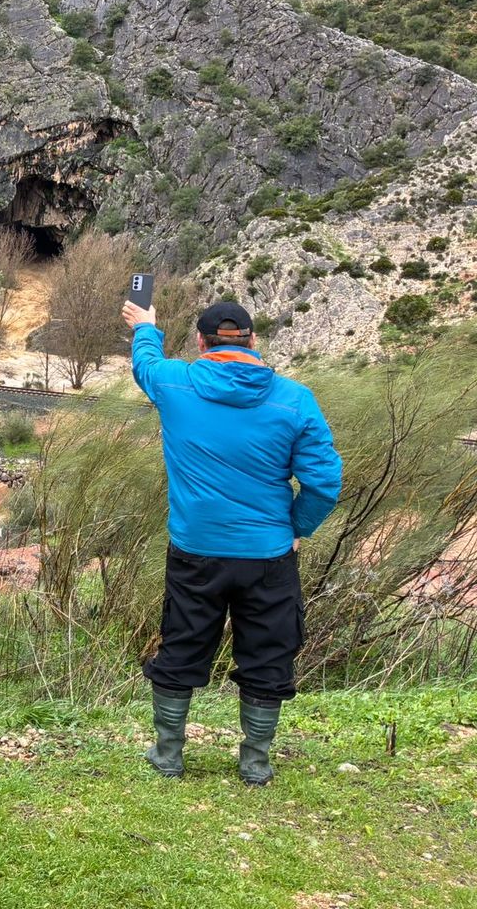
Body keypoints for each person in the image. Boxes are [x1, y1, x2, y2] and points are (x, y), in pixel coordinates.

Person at [121, 297, 341, 785]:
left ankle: (168, 755)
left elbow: (145, 363)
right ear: (253, 341)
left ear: (201, 342)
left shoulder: (174, 383)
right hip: (268, 556)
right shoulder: (295, 399)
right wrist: (297, 528)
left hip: (195, 552)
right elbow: (324, 482)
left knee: (182, 646)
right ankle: (255, 763)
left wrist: (146, 326)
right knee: (268, 653)